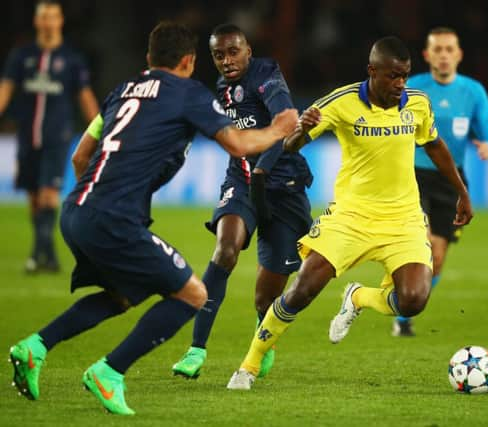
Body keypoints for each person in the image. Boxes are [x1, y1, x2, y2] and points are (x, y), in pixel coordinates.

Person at [8, 21, 298, 414]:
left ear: (148, 59)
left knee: (121, 294)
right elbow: (239, 143)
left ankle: (35, 346)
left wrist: (97, 204)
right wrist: (279, 127)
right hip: (112, 219)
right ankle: (110, 371)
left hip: (76, 209)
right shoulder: (188, 93)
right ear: (191, 61)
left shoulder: (121, 92)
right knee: (193, 294)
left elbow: (81, 156)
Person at [226, 36, 473, 390]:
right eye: (393, 76)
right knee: (302, 291)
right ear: (372, 71)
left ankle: (358, 297)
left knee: (414, 300)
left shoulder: (417, 104)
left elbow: (433, 145)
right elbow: (292, 144)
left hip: (402, 219)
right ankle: (247, 366)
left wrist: (461, 193)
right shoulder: (340, 102)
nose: (400, 84)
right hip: (351, 218)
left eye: (405, 76)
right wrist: (303, 129)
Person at [172, 24, 313, 380]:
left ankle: (263, 340)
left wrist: (264, 173)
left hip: (284, 189)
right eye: (218, 55)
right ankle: (195, 349)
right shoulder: (221, 89)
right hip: (243, 181)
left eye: (233, 52)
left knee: (265, 301)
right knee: (226, 250)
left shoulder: (266, 75)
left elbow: (287, 122)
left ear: (248, 50)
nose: (226, 60)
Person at [392, 27, 488, 336]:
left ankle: (404, 315)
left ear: (458, 54)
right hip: (414, 177)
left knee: (436, 259)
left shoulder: (473, 91)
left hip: (452, 182)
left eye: (449, 49)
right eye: (437, 49)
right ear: (427, 55)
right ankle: (399, 291)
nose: (443, 55)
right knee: (422, 244)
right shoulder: (411, 89)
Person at [0, 0, 99, 273]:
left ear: (60, 21)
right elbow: (6, 89)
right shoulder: (21, 56)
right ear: (37, 22)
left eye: (52, 16)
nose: (48, 22)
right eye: (43, 17)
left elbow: (85, 95)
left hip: (57, 137)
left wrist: (101, 128)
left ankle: (37, 255)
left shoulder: (71, 59)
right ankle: (47, 253)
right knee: (33, 198)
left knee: (48, 194)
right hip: (26, 137)